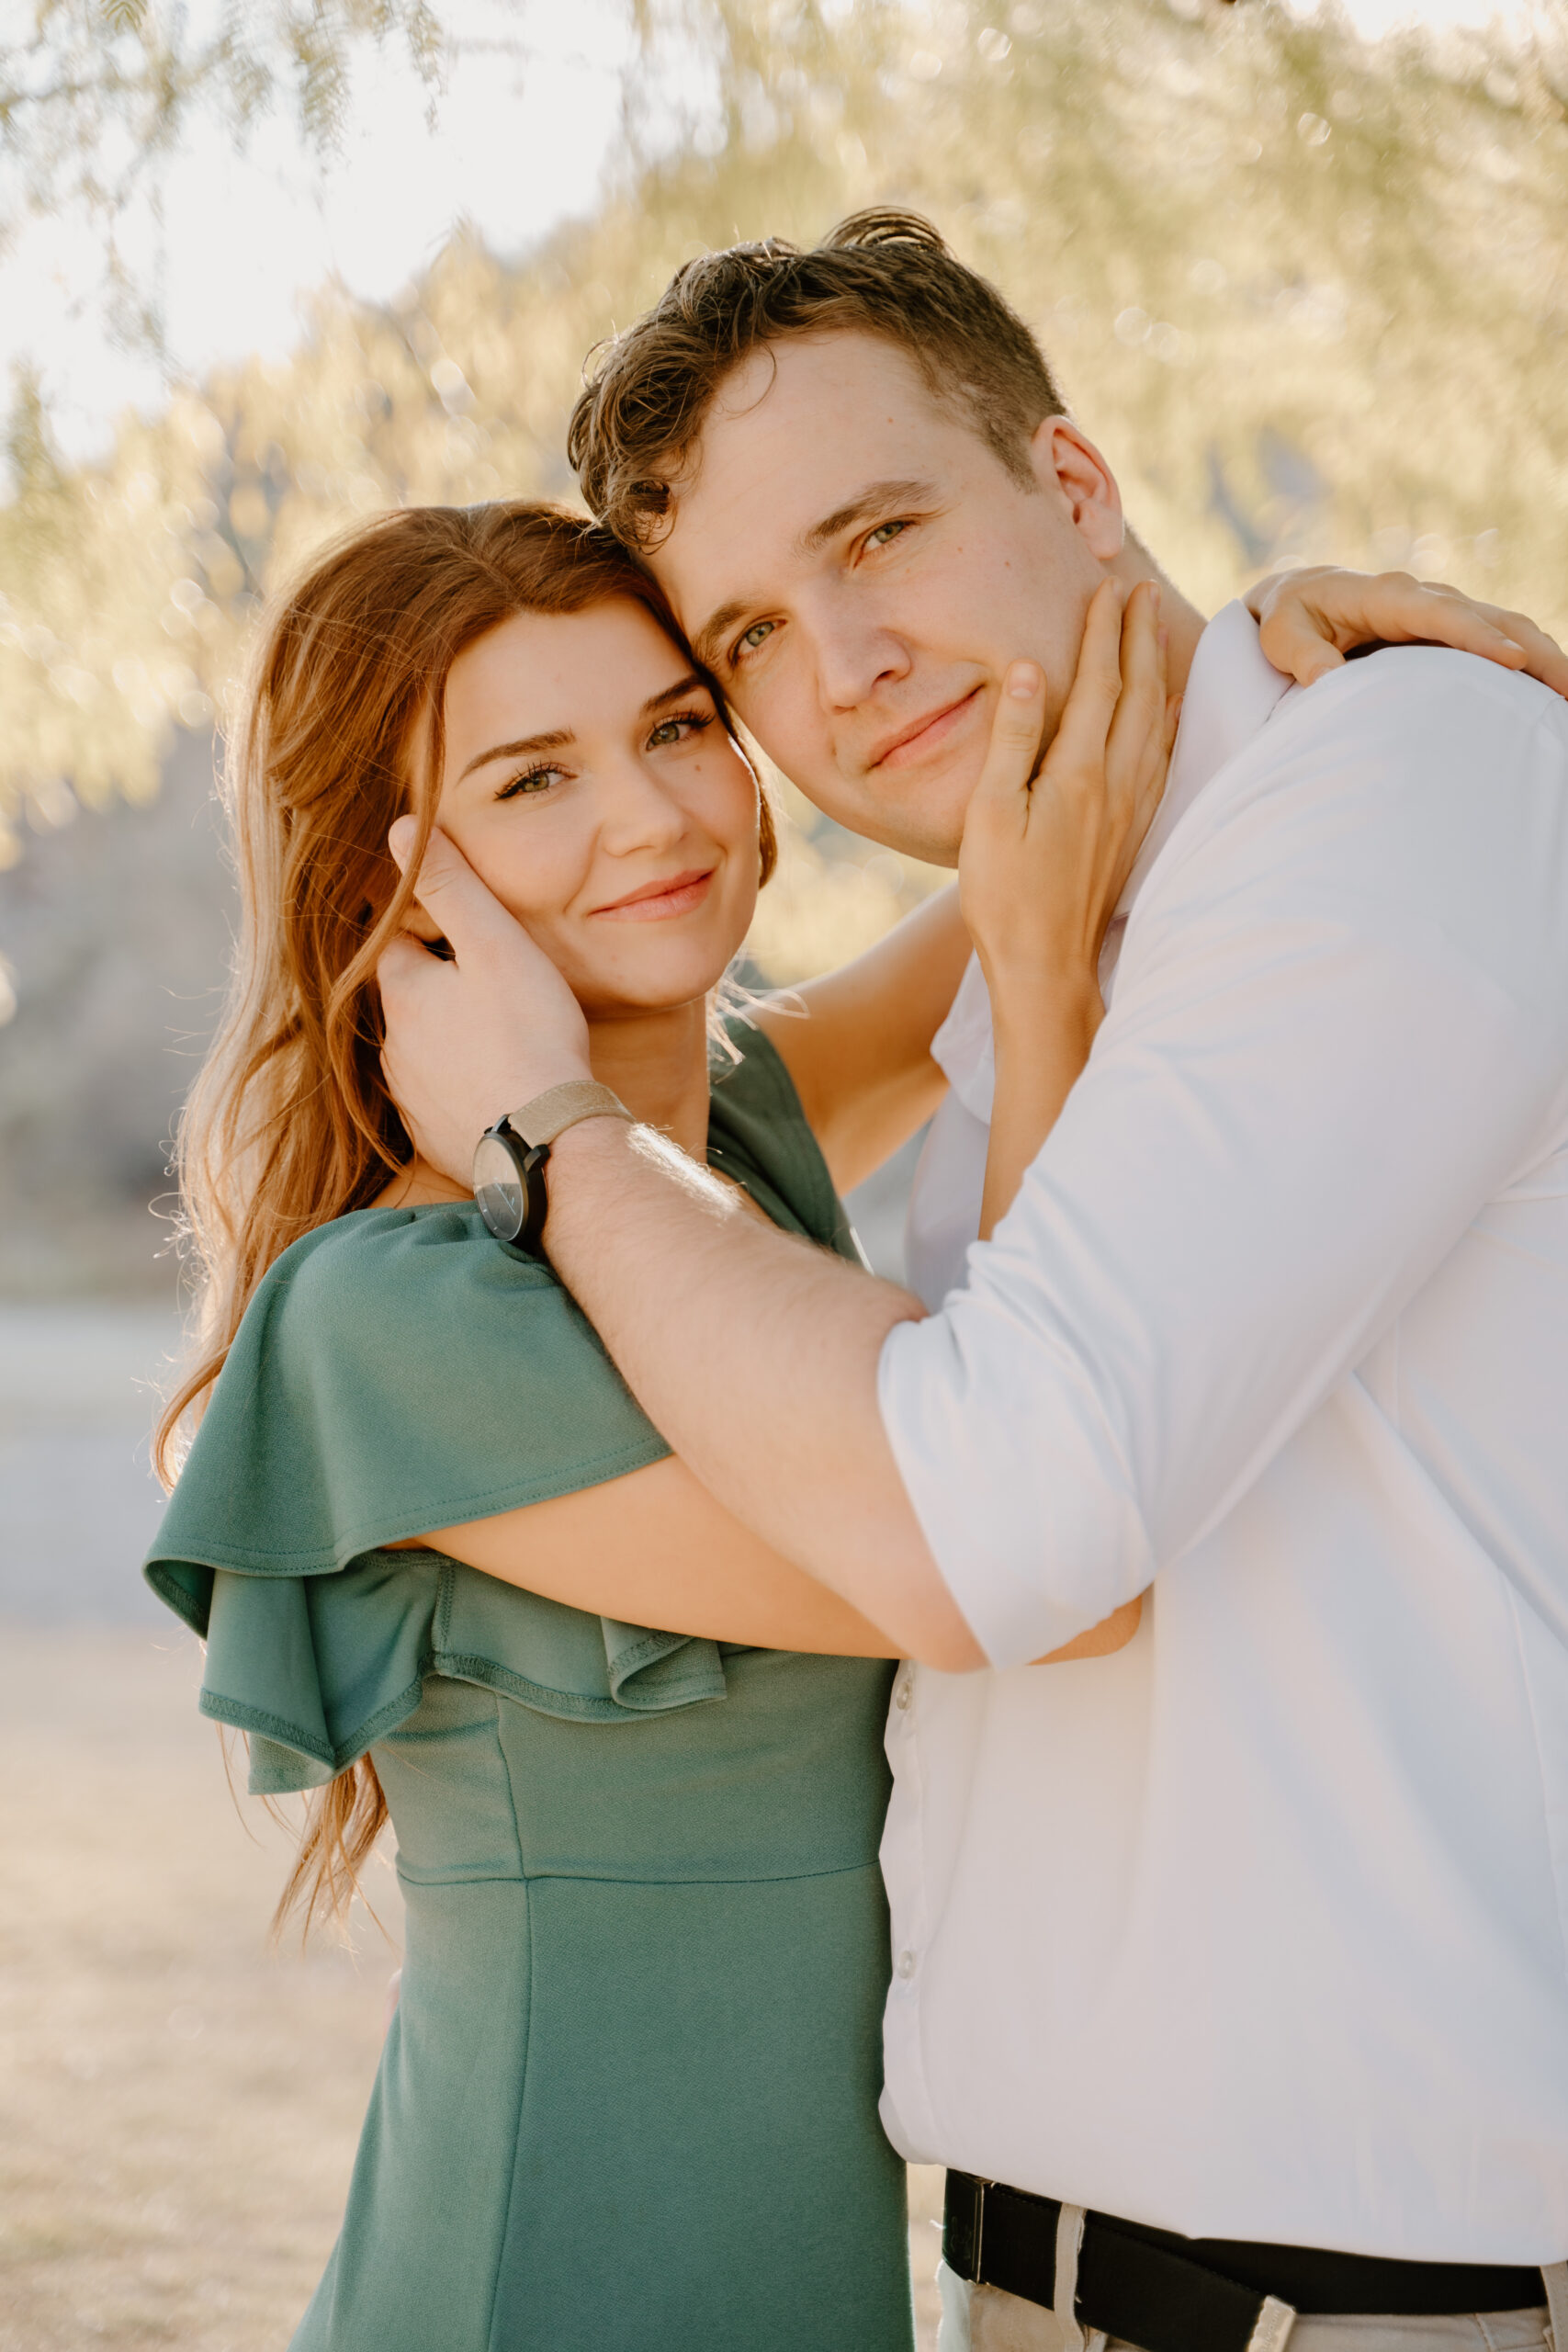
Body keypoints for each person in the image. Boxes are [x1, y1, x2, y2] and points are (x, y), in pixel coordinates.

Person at [378, 213, 1568, 2352]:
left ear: (1076, 484)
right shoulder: (1068, 923)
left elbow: (1012, 1520)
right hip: (1031, 2260)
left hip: (1368, 2280)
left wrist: (541, 1124)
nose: (837, 664)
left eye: (881, 533)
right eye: (743, 635)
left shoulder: (1390, 784)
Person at [145, 496, 1185, 2351]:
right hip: (544, 2268)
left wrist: (1282, 647)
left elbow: (1082, 789)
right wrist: (1034, 989)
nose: (651, 817)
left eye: (678, 725)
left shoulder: (736, 1138)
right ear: (392, 886)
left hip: (804, 2278)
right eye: (531, 778)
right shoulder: (390, 1320)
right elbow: (1034, 1566)